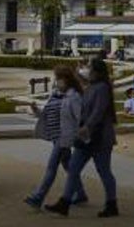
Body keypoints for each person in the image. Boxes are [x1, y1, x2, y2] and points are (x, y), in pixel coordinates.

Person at [45, 57, 119, 218]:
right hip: (87, 137)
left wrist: (87, 127)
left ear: (97, 72)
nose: (87, 70)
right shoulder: (93, 86)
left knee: (104, 171)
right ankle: (65, 202)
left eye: (90, 68)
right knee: (73, 168)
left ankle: (112, 203)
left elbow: (98, 112)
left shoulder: (102, 88)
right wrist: (77, 73)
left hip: (98, 137)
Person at [25, 66, 88, 209]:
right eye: (56, 78)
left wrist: (81, 134)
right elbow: (46, 114)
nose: (57, 82)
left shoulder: (74, 96)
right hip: (55, 136)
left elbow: (80, 117)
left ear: (67, 80)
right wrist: (36, 110)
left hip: (64, 137)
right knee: (68, 166)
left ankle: (38, 197)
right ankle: (81, 193)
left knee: (51, 167)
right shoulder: (55, 94)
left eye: (59, 79)